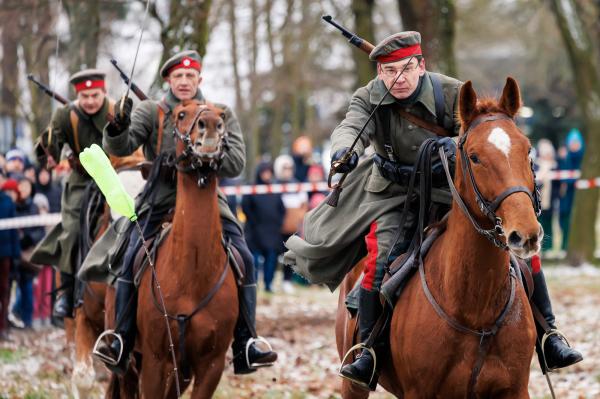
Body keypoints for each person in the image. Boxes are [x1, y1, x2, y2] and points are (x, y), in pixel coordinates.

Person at [284, 32, 581, 388]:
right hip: (394, 195)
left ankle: (549, 335)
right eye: (389, 70)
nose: (398, 78)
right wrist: (342, 151)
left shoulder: (451, 92)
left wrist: (454, 145)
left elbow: (481, 134)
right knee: (381, 254)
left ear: (421, 65)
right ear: (379, 73)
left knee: (517, 247)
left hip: (449, 193)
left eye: (406, 68)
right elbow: (349, 128)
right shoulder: (368, 99)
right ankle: (367, 349)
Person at [92, 50, 277, 375]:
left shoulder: (220, 113)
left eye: (190, 76)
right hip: (159, 200)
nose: (184, 81)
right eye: (178, 76)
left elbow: (236, 164)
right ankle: (120, 338)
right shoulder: (152, 111)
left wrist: (208, 150)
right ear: (169, 80)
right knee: (127, 254)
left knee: (244, 257)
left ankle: (246, 342)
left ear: (199, 80)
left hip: (206, 201)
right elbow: (120, 147)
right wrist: (117, 127)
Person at [30, 69, 116, 321]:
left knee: (132, 222)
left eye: (95, 95)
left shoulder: (115, 111)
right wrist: (47, 146)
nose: (90, 100)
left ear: (104, 92)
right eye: (84, 96)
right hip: (81, 179)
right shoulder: (65, 115)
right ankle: (66, 294)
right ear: (77, 96)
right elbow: (49, 157)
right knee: (72, 232)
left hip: (113, 175)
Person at [242, 161, 286, 292]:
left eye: (269, 172)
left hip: (271, 231)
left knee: (271, 259)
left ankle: (268, 284)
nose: (267, 175)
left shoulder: (274, 189)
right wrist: (254, 221)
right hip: (254, 231)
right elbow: (246, 207)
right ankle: (253, 284)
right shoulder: (252, 188)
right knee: (253, 260)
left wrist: (277, 223)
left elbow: (281, 208)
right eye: (264, 172)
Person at [0, 180, 21, 340]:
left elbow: (13, 229)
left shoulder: (7, 201)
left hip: (5, 254)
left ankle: (3, 327)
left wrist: (16, 255)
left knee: (4, 290)